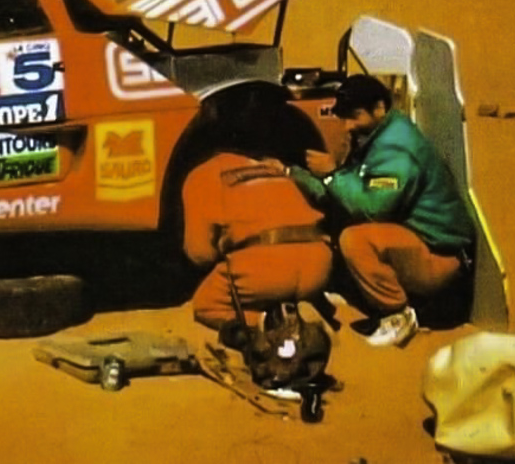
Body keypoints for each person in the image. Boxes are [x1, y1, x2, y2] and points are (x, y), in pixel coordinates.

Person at [275, 74, 476, 348]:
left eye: (355, 116)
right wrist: (293, 174)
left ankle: (399, 315)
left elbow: (372, 208)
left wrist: (331, 174)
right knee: (340, 220)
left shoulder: (397, 148)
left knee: (356, 239)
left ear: (379, 108)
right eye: (344, 118)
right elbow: (349, 191)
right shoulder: (376, 137)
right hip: (418, 242)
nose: (348, 125)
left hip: (441, 257)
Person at [184, 151, 334, 332]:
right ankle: (304, 307)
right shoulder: (271, 169)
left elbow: (200, 253)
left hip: (265, 270)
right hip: (319, 265)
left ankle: (269, 322)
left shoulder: (200, 176)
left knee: (205, 305)